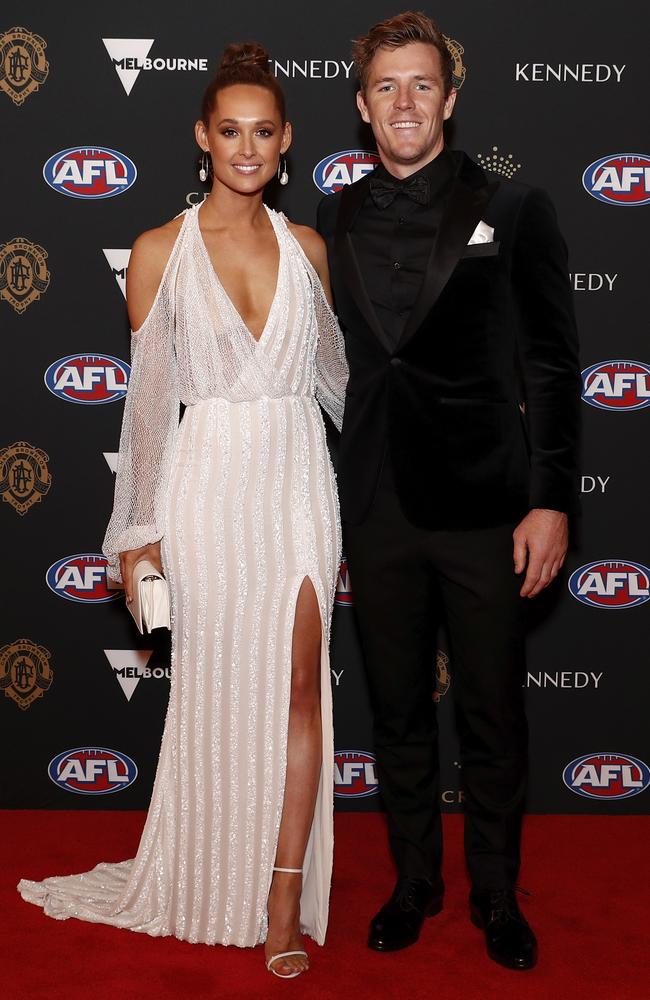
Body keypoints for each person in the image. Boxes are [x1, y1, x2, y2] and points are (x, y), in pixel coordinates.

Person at [18, 42, 348, 981]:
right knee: (216, 696)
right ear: (203, 138)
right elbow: (148, 410)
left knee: (297, 685)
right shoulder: (160, 254)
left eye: (265, 133)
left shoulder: (309, 249)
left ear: (285, 145)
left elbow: (338, 389)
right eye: (230, 131)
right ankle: (209, 873)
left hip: (296, 483)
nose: (247, 148)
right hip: (207, 490)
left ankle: (283, 893)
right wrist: (136, 535)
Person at [317, 11, 580, 970]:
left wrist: (551, 500)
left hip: (484, 509)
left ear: (451, 99)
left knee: (491, 712)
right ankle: (415, 883)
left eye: (421, 84)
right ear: (361, 105)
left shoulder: (514, 208)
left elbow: (551, 367)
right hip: (378, 504)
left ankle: (497, 899)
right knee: (394, 710)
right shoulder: (334, 218)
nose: (403, 102)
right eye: (385, 86)